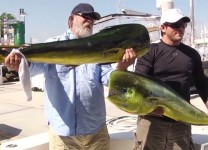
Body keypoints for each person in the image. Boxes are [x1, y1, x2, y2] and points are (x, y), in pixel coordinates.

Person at [5, 3, 136, 150]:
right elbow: (32, 67)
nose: (90, 20)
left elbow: (108, 79)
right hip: (63, 134)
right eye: (85, 16)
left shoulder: (100, 49)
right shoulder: (54, 45)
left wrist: (122, 67)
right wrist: (17, 64)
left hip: (96, 132)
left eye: (93, 18)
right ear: (71, 20)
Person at [133, 8, 208, 150]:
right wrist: (151, 108)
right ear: (163, 27)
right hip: (152, 120)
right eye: (175, 25)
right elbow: (139, 84)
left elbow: (201, 84)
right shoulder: (149, 51)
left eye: (183, 25)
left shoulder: (192, 54)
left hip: (181, 121)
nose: (180, 28)